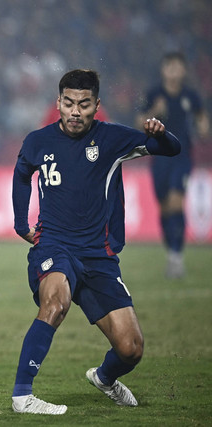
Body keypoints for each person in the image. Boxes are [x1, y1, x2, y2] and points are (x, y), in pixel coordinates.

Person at [11, 69, 180, 414]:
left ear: (96, 106)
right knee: (55, 303)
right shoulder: (37, 141)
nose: (76, 111)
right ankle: (22, 397)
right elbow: (21, 173)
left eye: (84, 104)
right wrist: (19, 223)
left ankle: (104, 378)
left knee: (131, 348)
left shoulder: (112, 139)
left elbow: (170, 150)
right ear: (58, 103)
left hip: (98, 255)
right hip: (54, 246)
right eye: (69, 103)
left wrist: (161, 134)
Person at [135, 52, 210, 279]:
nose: (174, 71)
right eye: (170, 66)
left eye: (178, 67)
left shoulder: (191, 96)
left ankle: (177, 256)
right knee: (165, 208)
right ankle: (172, 254)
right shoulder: (154, 94)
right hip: (159, 159)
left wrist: (203, 126)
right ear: (163, 70)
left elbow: (202, 121)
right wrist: (154, 113)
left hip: (182, 157)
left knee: (177, 203)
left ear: (184, 70)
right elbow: (139, 123)